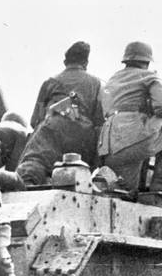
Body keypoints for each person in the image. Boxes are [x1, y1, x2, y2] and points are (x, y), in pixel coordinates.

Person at [98, 41, 162, 195]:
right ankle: (161, 181)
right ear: (147, 62)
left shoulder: (113, 79)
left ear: (126, 61)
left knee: (128, 193)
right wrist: (159, 117)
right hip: (135, 143)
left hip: (108, 149)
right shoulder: (149, 76)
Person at [16, 41, 104, 186]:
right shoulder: (96, 83)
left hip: (54, 127)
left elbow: (35, 120)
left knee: (34, 162)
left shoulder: (50, 82)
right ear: (86, 62)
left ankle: (28, 184)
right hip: (84, 137)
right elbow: (99, 121)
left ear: (65, 61)